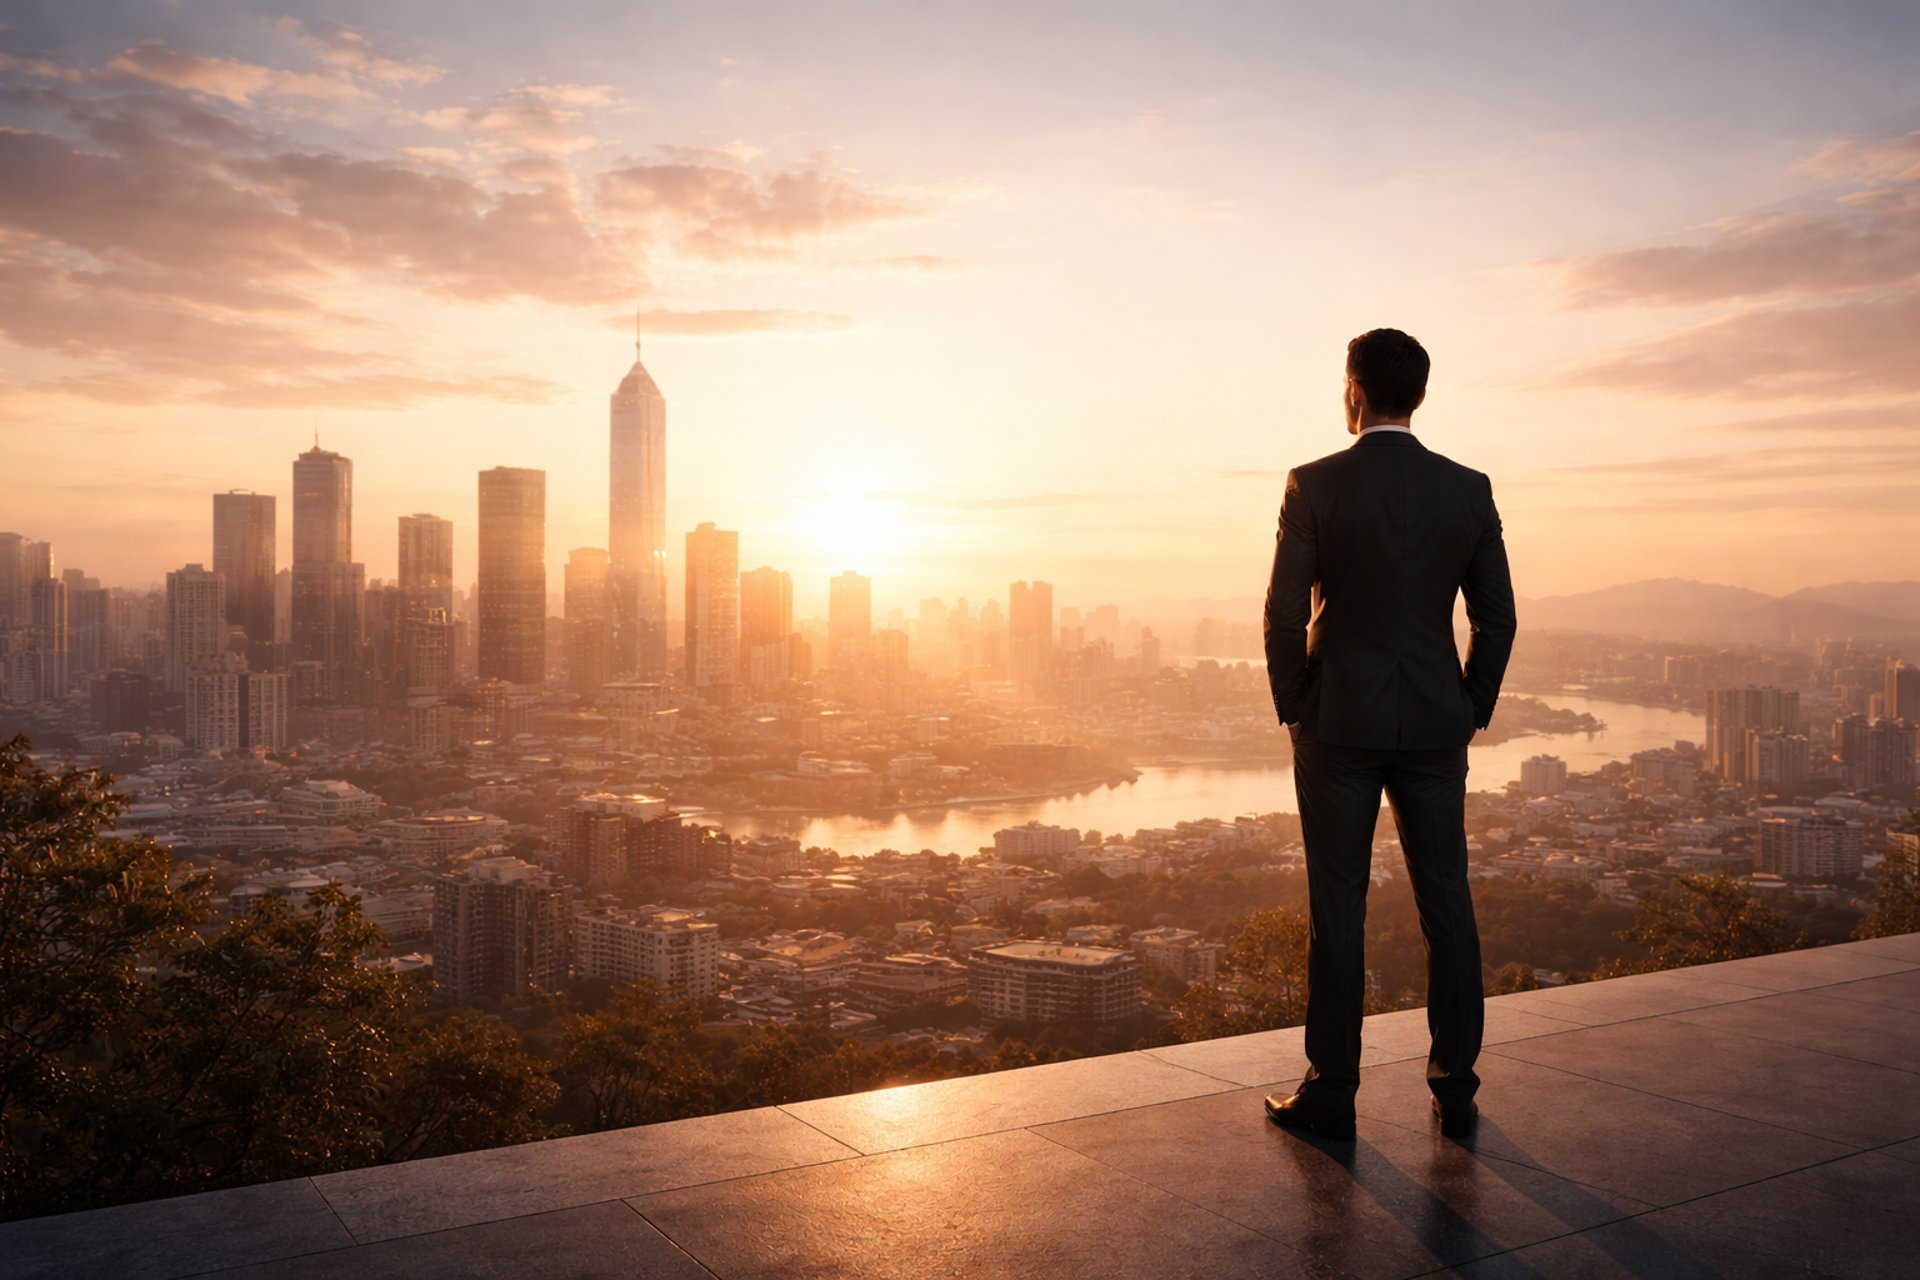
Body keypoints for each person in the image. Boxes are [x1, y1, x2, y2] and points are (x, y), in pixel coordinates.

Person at [1260, 328, 1516, 1140]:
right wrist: (1469, 703)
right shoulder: (1468, 490)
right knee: (1449, 901)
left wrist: (1297, 703)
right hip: (1435, 725)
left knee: (1337, 907)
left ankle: (1332, 1089)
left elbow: (1282, 611)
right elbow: (1497, 618)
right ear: (1421, 394)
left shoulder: (1314, 484)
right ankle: (1456, 1087)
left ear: (1353, 389)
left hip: (1337, 724)